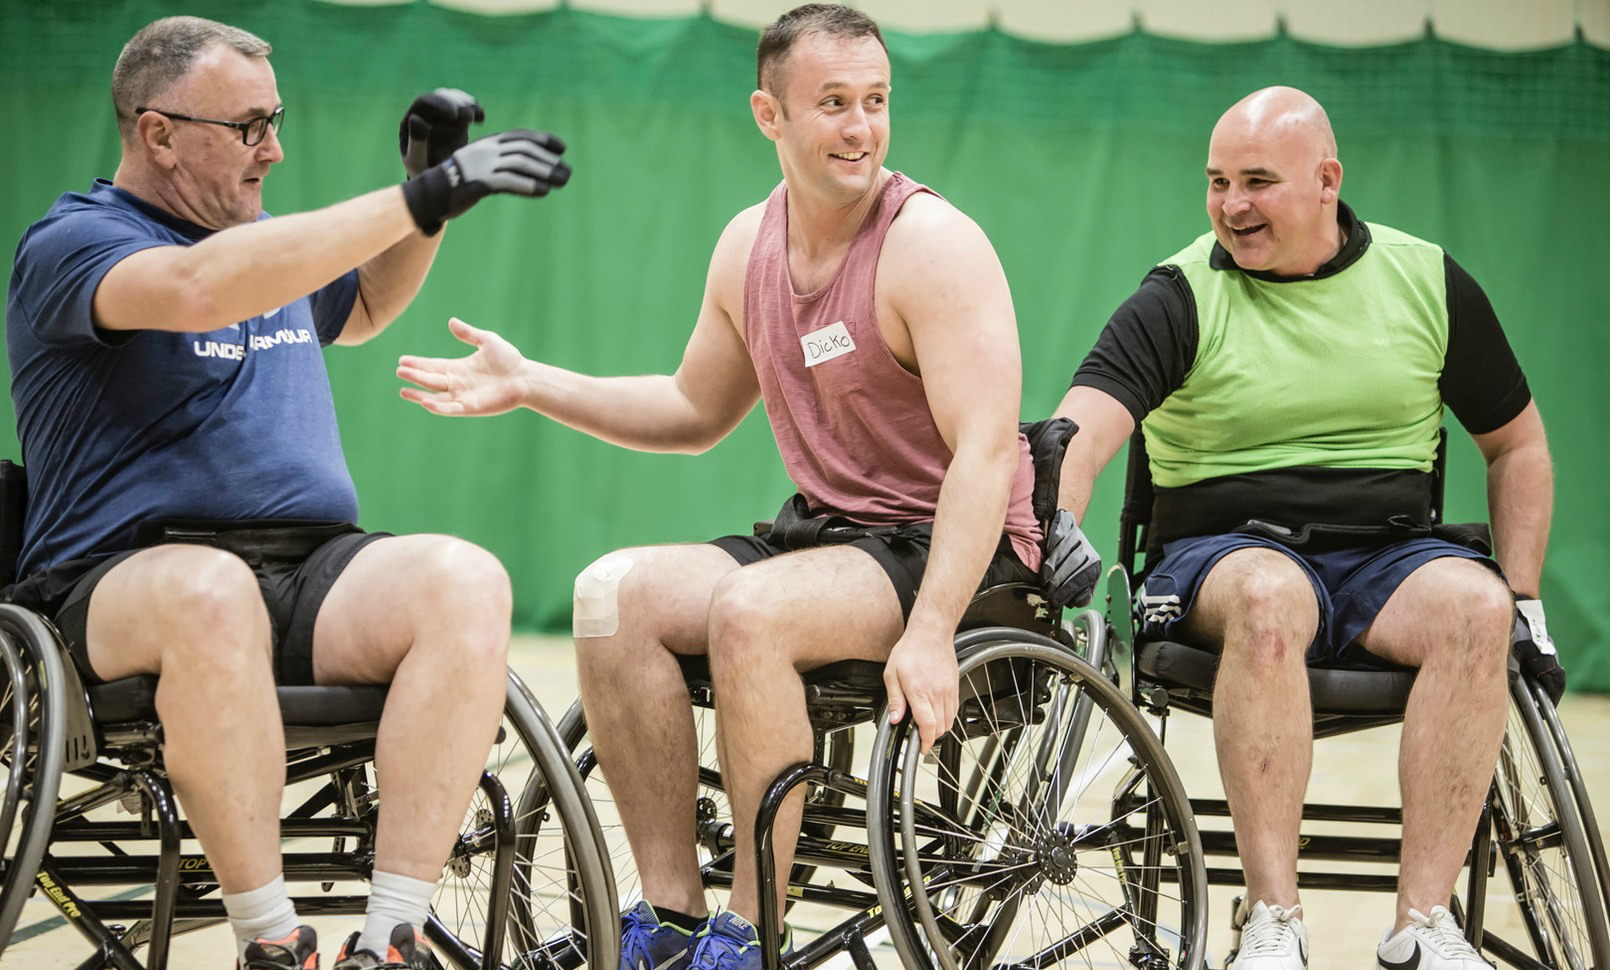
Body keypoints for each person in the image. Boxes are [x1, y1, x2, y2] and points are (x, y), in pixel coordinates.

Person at [396, 5, 1046, 969]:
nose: (860, 126)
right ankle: (671, 918)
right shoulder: (750, 244)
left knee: (751, 610)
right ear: (768, 114)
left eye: (875, 101)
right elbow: (692, 409)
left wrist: (934, 629)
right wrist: (533, 384)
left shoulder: (933, 247)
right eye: (832, 104)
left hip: (960, 545)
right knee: (612, 596)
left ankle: (751, 930)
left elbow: (987, 452)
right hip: (830, 540)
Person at [5, 16, 571, 970]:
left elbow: (368, 307)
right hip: (119, 583)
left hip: (306, 570)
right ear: (158, 133)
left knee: (462, 579)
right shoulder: (77, 243)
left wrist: (428, 203)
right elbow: (196, 291)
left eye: (277, 118)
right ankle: (272, 942)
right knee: (207, 592)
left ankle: (392, 938)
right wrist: (412, 193)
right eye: (250, 126)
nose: (276, 147)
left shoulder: (260, 242)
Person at [1042, 86, 1558, 970]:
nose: (1231, 206)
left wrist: (1525, 597)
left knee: (1478, 609)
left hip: (1387, 554)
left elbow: (1518, 446)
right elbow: (1079, 430)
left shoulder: (1425, 280)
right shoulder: (1178, 294)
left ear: (1326, 181)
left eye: (1256, 182)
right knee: (1271, 594)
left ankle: (1423, 925)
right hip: (1219, 552)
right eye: (1216, 183)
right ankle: (1273, 920)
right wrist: (1054, 528)